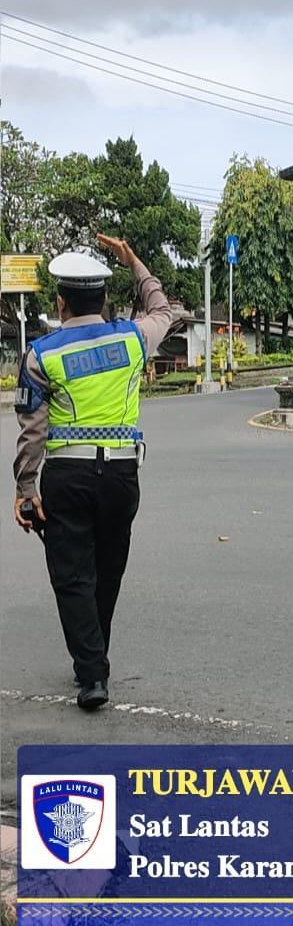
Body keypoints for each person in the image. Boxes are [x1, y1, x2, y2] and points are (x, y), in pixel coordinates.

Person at [13, 237, 172, 711]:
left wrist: (26, 489)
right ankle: (93, 658)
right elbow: (161, 307)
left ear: (60, 301)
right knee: (108, 570)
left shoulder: (41, 355)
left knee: (72, 574)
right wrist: (134, 259)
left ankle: (91, 672)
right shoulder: (133, 337)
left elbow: (32, 430)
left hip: (67, 478)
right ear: (104, 298)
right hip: (123, 477)